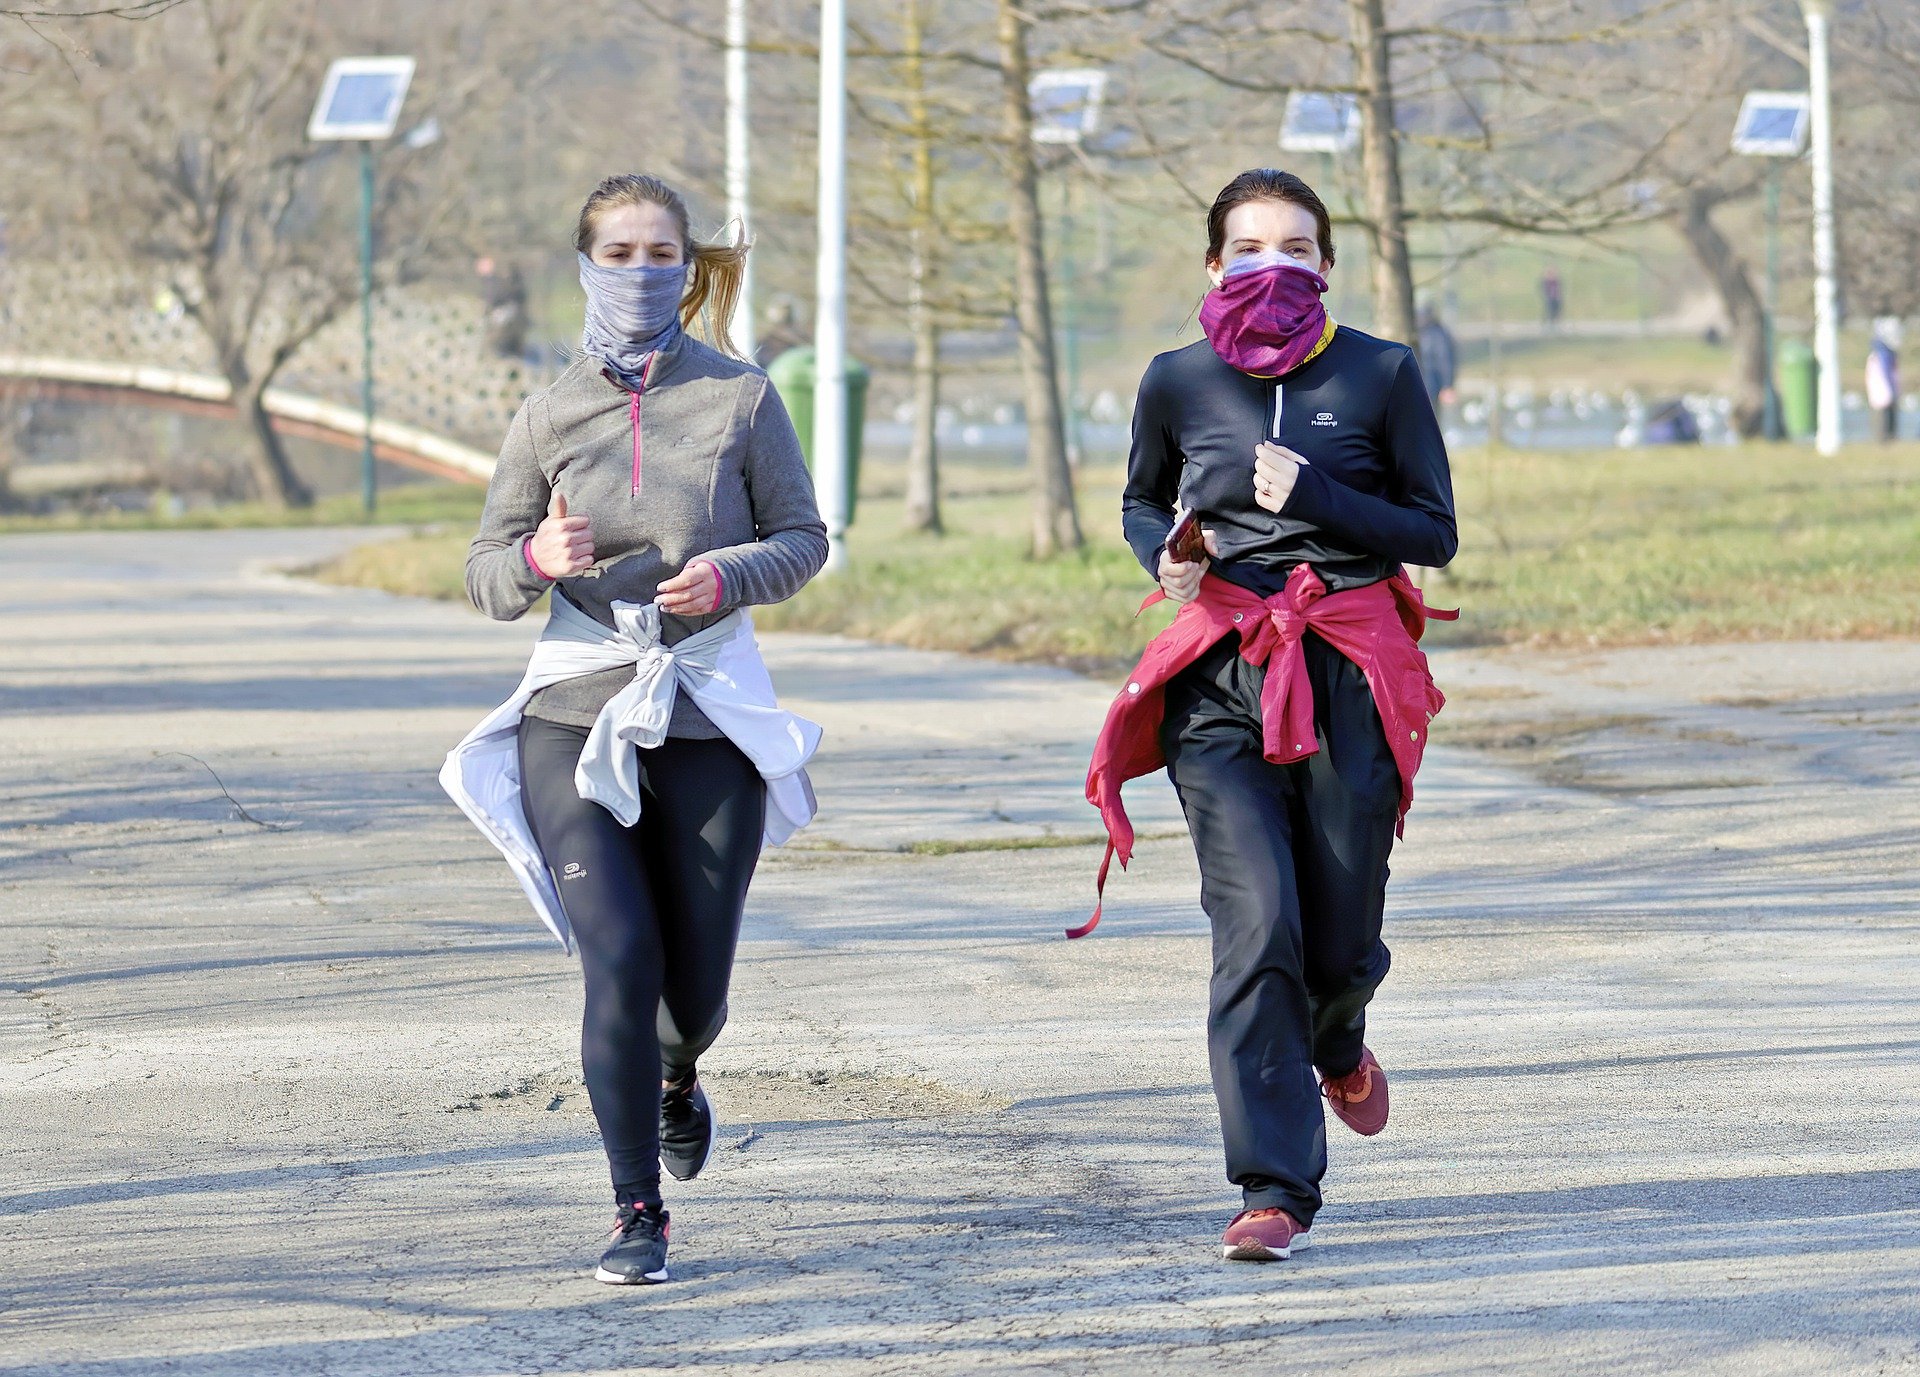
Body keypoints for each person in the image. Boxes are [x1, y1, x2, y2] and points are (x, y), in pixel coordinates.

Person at [443, 174, 829, 1286]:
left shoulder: (744, 399)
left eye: (661, 251)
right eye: (618, 252)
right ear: (584, 265)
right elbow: (483, 571)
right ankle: (634, 1211)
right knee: (618, 955)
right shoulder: (546, 413)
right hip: (574, 714)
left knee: (694, 990)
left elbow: (804, 538)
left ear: (685, 264)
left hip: (706, 710)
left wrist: (730, 573)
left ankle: (676, 1075)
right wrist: (531, 563)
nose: (641, 270)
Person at [1085, 168, 1457, 1264]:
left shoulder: (1382, 372)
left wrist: (1322, 499)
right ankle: (1272, 1187)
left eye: (1295, 248)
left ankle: (1338, 1033)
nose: (1272, 266)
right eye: (1248, 248)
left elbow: (1432, 531)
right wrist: (1162, 551)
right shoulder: (1177, 380)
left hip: (1347, 665)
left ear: (1327, 265)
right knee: (1254, 926)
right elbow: (1142, 498)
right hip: (1222, 673)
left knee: (1339, 934)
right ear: (1214, 264)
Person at [1415, 303, 1457, 419]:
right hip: (1429, 384)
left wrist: (1447, 385)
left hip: (1428, 384)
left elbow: (1444, 359)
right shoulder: (1438, 333)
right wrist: (1448, 385)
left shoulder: (1432, 333)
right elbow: (1445, 359)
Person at [1867, 317, 1901, 443]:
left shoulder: (1881, 353)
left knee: (1884, 414)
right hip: (1883, 390)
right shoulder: (1882, 354)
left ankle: (1886, 438)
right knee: (1883, 415)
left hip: (1882, 391)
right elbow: (1886, 373)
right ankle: (1885, 438)